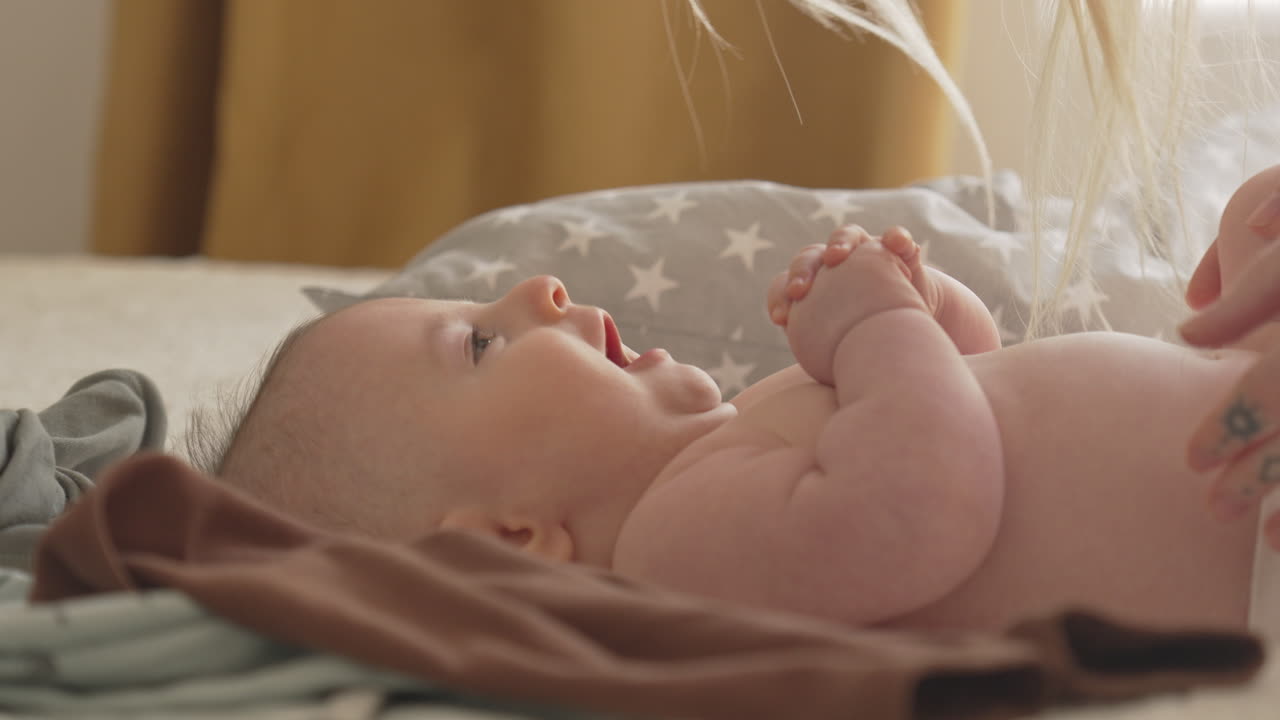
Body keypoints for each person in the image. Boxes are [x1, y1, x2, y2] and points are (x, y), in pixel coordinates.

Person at [191, 162, 1278, 637]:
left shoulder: (743, 449)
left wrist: (936, 317)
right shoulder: (679, 548)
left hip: (1237, 432)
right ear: (513, 536)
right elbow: (925, 507)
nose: (540, 289)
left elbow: (980, 412)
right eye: (476, 344)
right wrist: (875, 331)